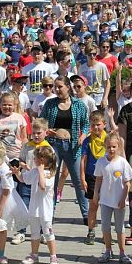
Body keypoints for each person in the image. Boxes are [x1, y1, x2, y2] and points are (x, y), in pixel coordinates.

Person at [40, 76, 89, 223]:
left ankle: (86, 215)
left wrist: (83, 136)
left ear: (68, 87)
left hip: (73, 146)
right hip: (54, 145)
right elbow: (41, 121)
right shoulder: (50, 104)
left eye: (60, 86)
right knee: (52, 181)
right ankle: (50, 214)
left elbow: (86, 123)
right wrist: (46, 130)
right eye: (55, 87)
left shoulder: (79, 104)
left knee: (79, 181)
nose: (57, 89)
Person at [93, 132, 132, 264]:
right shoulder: (101, 162)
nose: (111, 149)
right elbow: (99, 179)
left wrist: (123, 199)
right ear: (105, 146)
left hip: (119, 201)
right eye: (109, 146)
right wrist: (95, 193)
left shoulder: (122, 163)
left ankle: (122, 253)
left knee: (120, 227)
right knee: (105, 226)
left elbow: (128, 183)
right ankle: (108, 250)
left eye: (114, 147)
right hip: (105, 200)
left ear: (118, 147)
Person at [15, 146, 60, 264]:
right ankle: (34, 255)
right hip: (34, 208)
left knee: (48, 233)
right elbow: (24, 180)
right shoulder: (34, 171)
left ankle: (53, 256)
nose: (33, 159)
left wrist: (40, 171)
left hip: (45, 210)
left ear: (42, 160)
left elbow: (43, 186)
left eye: (35, 157)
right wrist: (17, 173)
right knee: (34, 233)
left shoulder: (50, 173)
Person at [80, 110, 107, 245]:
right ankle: (91, 231)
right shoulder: (87, 141)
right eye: (93, 125)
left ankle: (106, 232)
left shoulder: (108, 140)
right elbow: (83, 160)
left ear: (104, 124)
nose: (96, 127)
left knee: (107, 206)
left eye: (98, 124)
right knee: (93, 205)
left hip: (106, 177)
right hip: (91, 176)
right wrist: (82, 177)